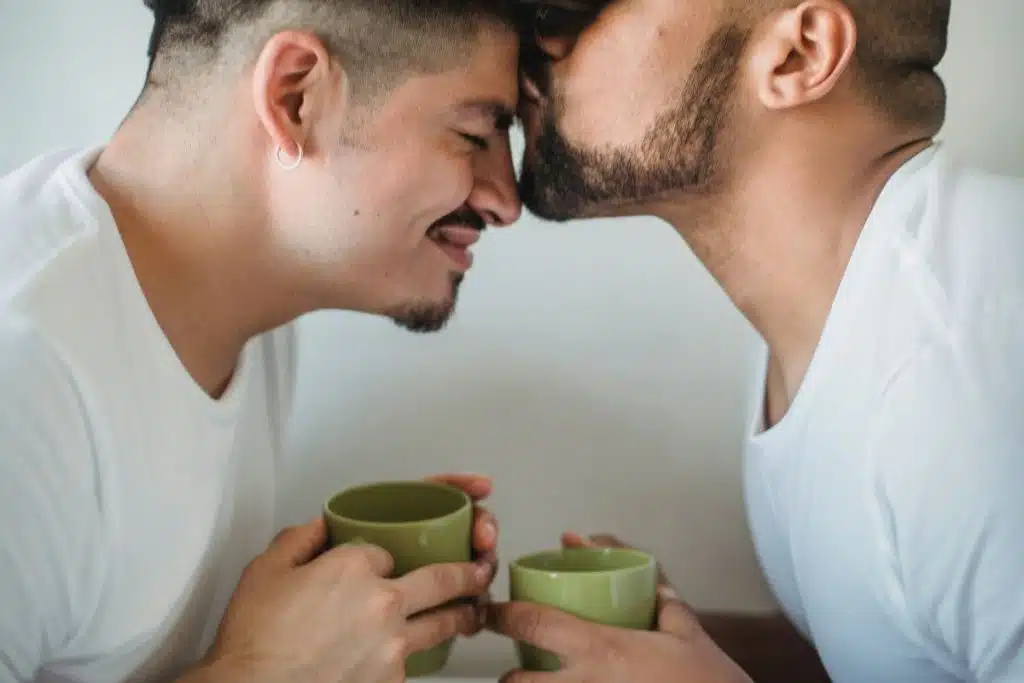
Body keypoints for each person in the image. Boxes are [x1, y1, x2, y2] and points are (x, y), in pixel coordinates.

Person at [487, 1, 1024, 682]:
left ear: (800, 55)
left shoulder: (965, 388)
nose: (539, 34)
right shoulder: (839, 318)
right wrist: (673, 651)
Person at [0, 0, 522, 681]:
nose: (506, 201)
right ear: (294, 95)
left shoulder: (257, 323)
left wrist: (335, 602)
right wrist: (261, 670)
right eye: (476, 133)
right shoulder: (24, 375)